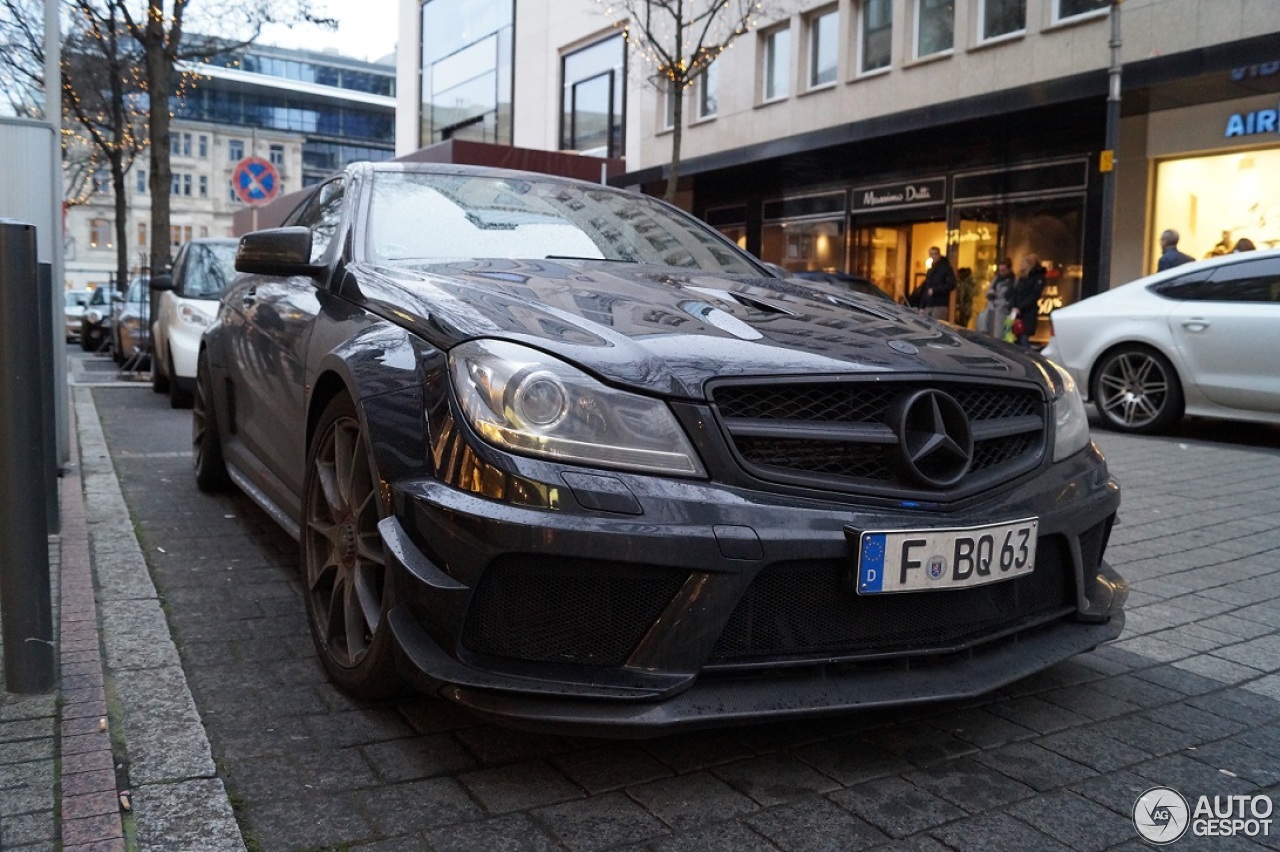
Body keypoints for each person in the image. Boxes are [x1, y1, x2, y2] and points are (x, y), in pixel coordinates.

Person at [910, 246, 956, 321]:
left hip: (940, 304)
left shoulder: (946, 268)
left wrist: (935, 290)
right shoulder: (930, 271)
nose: (934, 256)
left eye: (935, 254)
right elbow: (925, 289)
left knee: (937, 326)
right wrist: (922, 306)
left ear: (939, 255)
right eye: (931, 254)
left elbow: (951, 285)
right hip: (929, 304)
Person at [1009, 253, 1046, 348]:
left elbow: (1034, 295)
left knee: (1023, 338)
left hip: (1027, 313)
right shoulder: (1021, 277)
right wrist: (1013, 306)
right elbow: (1015, 293)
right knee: (1013, 338)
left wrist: (1020, 307)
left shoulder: (1037, 277)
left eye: (1023, 262)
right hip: (1016, 312)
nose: (1021, 264)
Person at [981, 258, 1016, 339]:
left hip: (1006, 309)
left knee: (1004, 334)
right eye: (1000, 270)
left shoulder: (1013, 280)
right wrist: (991, 293)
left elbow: (1012, 295)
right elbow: (989, 291)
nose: (1002, 273)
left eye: (1004, 270)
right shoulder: (997, 279)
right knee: (993, 332)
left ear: (1009, 269)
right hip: (994, 308)